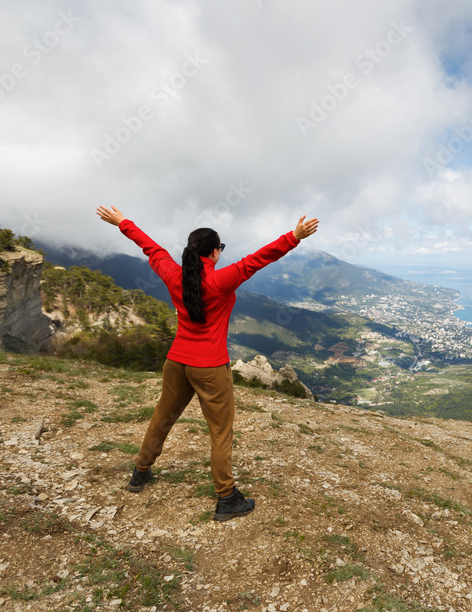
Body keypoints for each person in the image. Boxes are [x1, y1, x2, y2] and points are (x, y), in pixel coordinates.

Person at [95, 204, 319, 521]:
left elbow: (151, 247)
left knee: (162, 418)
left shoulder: (174, 275)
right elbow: (258, 259)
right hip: (210, 368)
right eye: (220, 249)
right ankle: (226, 498)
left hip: (176, 362)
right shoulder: (220, 281)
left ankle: (140, 473)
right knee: (220, 434)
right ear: (214, 252)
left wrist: (122, 222)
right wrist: (294, 237)